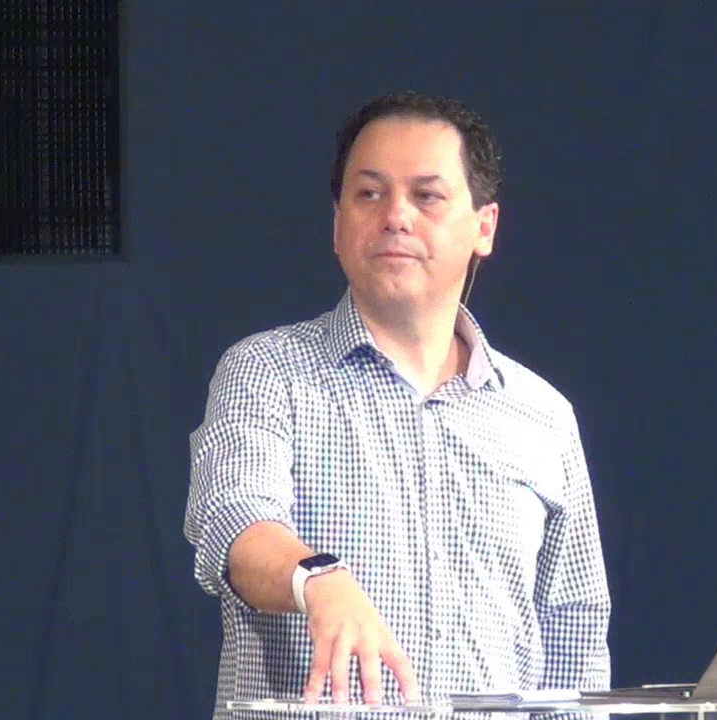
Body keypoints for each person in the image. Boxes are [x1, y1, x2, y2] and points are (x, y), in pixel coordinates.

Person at [183, 92, 612, 717]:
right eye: (369, 193)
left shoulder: (543, 416)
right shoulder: (266, 372)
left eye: (427, 196)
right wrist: (316, 580)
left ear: (485, 227)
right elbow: (234, 522)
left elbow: (574, 634)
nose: (395, 217)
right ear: (337, 225)